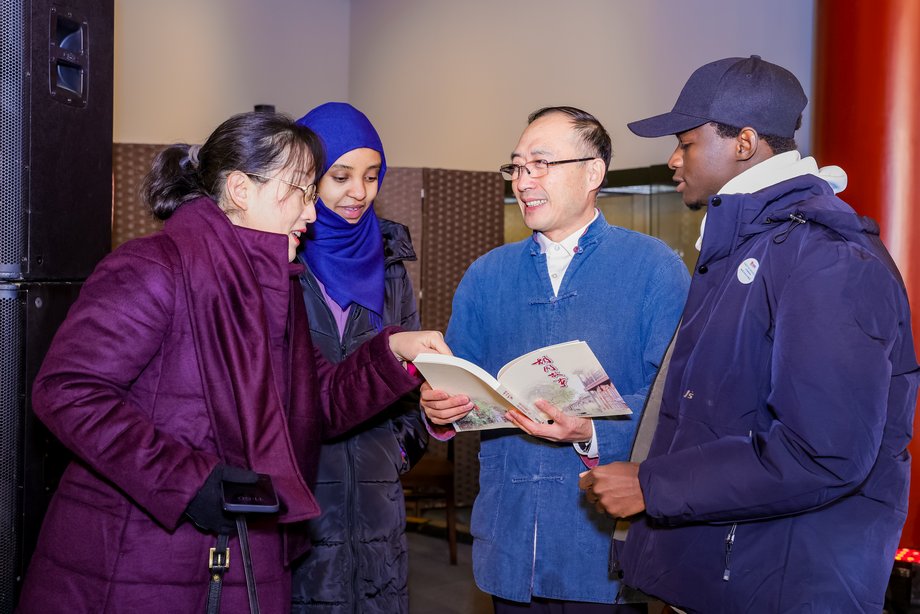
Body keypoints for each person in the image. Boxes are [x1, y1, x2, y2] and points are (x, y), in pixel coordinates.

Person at [16, 111, 449, 613]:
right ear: (241, 189)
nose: (311, 214)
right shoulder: (154, 266)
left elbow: (321, 401)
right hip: (141, 555)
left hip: (246, 552)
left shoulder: (275, 287)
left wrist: (392, 351)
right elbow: (68, 391)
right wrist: (187, 480)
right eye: (300, 192)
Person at [579, 55, 920, 612]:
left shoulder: (828, 260)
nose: (672, 159)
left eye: (686, 142)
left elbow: (823, 454)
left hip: (783, 586)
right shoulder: (750, 246)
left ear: (743, 143)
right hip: (727, 574)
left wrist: (654, 485)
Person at [421, 106, 690, 612]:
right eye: (517, 167)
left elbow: (673, 403)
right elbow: (461, 379)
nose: (524, 181)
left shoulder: (654, 268)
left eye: (541, 164)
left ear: (594, 172)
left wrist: (590, 430)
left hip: (603, 535)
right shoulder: (487, 275)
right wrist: (439, 407)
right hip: (510, 528)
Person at [289, 102, 426, 613]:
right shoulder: (281, 259)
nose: (358, 193)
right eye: (340, 176)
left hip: (376, 507)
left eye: (371, 176)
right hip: (297, 500)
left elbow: (412, 383)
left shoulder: (390, 266)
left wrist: (397, 453)